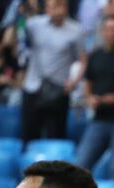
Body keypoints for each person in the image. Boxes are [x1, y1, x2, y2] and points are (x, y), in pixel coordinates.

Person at [19, 0, 85, 143]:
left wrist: (74, 81)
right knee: (29, 135)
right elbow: (20, 39)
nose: (59, 9)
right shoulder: (34, 25)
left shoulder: (76, 30)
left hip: (59, 89)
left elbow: (82, 60)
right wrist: (22, 16)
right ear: (48, 8)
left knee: (56, 137)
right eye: (55, 5)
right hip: (33, 86)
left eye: (62, 5)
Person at [75, 16, 114, 181]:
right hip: (98, 119)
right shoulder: (95, 56)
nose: (113, 33)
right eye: (110, 29)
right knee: (82, 163)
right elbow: (88, 84)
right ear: (103, 32)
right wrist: (90, 99)